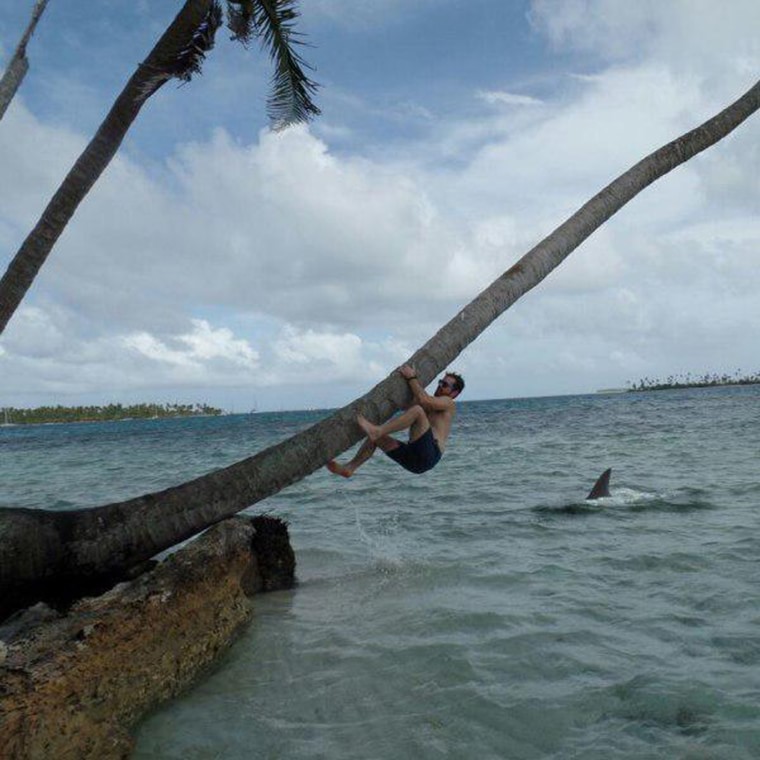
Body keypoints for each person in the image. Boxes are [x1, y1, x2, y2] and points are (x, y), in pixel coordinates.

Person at [327, 364, 464, 477]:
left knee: (417, 411)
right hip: (415, 459)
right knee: (375, 438)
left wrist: (411, 377)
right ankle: (350, 468)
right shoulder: (429, 404)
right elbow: (406, 405)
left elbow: (423, 400)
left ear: (454, 393)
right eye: (440, 382)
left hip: (430, 453)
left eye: (445, 385)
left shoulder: (448, 403)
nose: (440, 386)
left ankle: (377, 430)